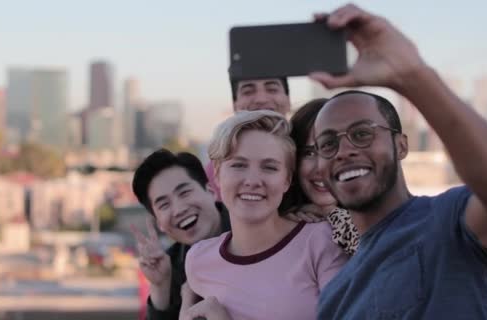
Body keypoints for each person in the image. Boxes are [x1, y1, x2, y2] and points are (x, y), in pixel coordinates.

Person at [309, 4, 487, 319]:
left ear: (401, 145)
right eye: (327, 143)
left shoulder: (449, 221)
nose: (344, 150)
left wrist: (411, 75)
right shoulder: (335, 297)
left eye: (362, 134)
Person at [181, 110, 348, 320]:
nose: (252, 180)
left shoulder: (321, 241)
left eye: (269, 167)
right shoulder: (198, 260)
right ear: (217, 173)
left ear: (287, 180)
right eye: (239, 165)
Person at [131, 149, 231, 320]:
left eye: (184, 193)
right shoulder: (171, 267)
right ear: (159, 223)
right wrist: (160, 286)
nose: (179, 209)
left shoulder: (253, 230)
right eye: (164, 205)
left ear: (211, 191)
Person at [282, 98, 359, 255]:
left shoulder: (384, 219)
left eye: (330, 148)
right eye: (309, 153)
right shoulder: (280, 223)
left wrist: (333, 214)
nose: (320, 168)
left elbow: (378, 259)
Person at [205, 77, 292, 200]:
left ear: (288, 100)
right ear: (235, 105)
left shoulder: (310, 160)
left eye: (272, 89)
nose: (261, 99)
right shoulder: (215, 169)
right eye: (248, 91)